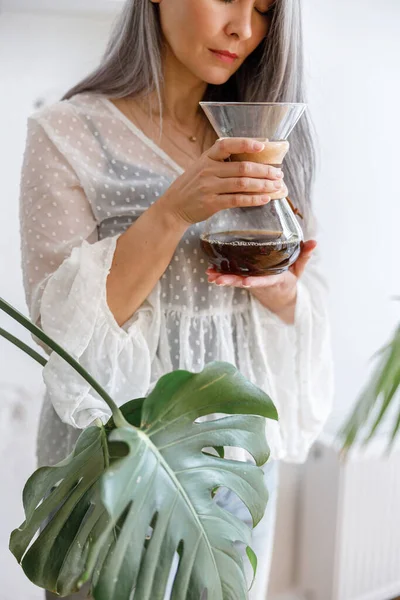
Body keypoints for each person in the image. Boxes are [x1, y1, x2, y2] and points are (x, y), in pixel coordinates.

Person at [19, 0, 334, 597]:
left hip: (228, 471)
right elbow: (61, 335)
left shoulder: (263, 136)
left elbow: (301, 305)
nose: (244, 27)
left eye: (265, 10)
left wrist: (278, 282)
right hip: (116, 465)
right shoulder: (68, 133)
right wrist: (171, 212)